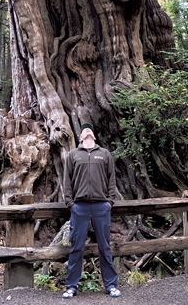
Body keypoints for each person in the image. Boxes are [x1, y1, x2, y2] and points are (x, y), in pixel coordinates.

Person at [62, 122, 121, 299]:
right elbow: (67, 182)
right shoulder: (73, 155)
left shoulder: (104, 154)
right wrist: (70, 204)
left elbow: (112, 179)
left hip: (101, 206)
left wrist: (110, 201)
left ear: (94, 135)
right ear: (80, 137)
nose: (87, 129)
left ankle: (111, 285)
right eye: (84, 129)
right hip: (79, 207)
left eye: (90, 128)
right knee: (77, 247)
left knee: (104, 246)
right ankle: (71, 286)